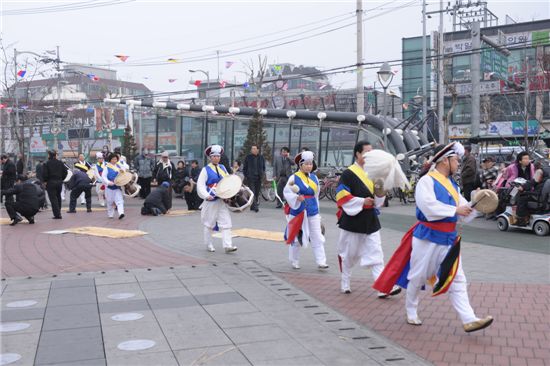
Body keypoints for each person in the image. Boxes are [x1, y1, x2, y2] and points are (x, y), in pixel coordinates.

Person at [373, 142, 493, 333]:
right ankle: (411, 309)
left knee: (458, 278)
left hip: (449, 239)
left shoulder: (452, 184)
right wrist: (456, 209)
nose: (458, 164)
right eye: (456, 160)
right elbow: (427, 207)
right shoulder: (426, 181)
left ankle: (469, 319)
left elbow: (464, 211)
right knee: (418, 276)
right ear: (445, 160)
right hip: (427, 238)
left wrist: (476, 203)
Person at [335, 141, 401, 297]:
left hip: (370, 220)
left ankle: (383, 287)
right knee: (349, 255)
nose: (370, 155)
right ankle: (345, 282)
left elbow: (378, 202)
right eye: (367, 152)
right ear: (357, 154)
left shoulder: (374, 172)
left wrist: (380, 193)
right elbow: (341, 195)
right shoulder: (348, 173)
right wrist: (361, 202)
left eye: (372, 152)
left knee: (376, 253)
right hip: (352, 220)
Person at [283, 150, 328, 270]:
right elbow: (287, 191)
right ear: (300, 165)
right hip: (298, 211)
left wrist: (317, 211)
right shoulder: (294, 177)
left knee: (317, 235)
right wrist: (296, 197)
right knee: (296, 237)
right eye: (306, 164)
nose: (309, 166)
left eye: (311, 164)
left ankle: (321, 261)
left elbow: (316, 195)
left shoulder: (314, 178)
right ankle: (294, 260)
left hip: (312, 209)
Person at [196, 145, 237, 253]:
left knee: (226, 222)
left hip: (222, 200)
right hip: (211, 200)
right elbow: (200, 185)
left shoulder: (223, 168)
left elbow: (228, 181)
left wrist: (231, 192)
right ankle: (209, 244)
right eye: (214, 156)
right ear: (210, 157)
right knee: (209, 223)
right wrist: (206, 195)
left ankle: (228, 245)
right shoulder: (206, 170)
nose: (216, 158)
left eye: (218, 156)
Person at [42, 150, 68, 219]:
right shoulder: (60, 163)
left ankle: (57, 214)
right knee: (58, 197)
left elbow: (45, 174)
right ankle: (58, 211)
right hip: (59, 182)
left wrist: (45, 181)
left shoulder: (47, 163)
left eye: (48, 155)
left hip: (51, 182)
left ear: (50, 155)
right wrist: (61, 179)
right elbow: (65, 172)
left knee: (53, 199)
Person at [101, 153, 125, 219]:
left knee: (119, 200)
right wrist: (108, 182)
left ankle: (121, 213)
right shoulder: (107, 167)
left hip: (117, 187)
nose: (114, 160)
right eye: (113, 159)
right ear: (110, 160)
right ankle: (110, 214)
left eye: (115, 159)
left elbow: (124, 174)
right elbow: (103, 176)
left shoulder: (119, 166)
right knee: (110, 201)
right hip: (109, 187)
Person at [243, 145, 265, 212]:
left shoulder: (261, 157)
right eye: (252, 148)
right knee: (252, 191)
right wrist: (247, 175)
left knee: (257, 192)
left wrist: (262, 173)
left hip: (259, 177)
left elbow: (263, 167)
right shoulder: (248, 157)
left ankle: (252, 206)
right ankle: (255, 206)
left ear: (258, 150)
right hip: (251, 177)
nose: (253, 150)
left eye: (254, 148)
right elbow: (245, 167)